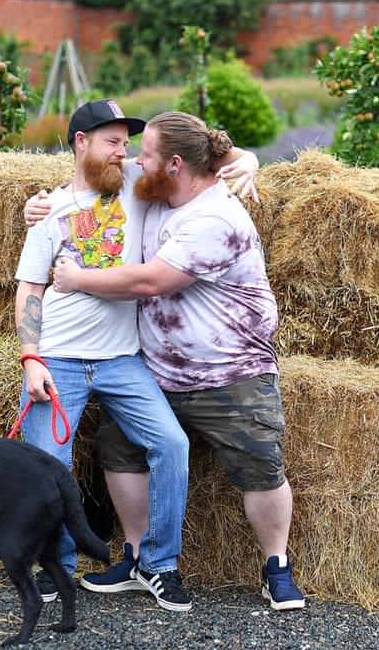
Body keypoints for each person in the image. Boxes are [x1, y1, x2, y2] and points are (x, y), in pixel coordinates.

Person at [47, 111, 305, 611]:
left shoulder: (216, 217)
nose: (134, 162)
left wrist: (76, 279)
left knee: (260, 466)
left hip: (230, 372)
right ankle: (140, 557)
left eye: (145, 156)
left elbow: (151, 281)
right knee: (118, 447)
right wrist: (45, 202)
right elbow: (95, 174)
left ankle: (277, 565)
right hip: (158, 372)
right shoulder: (159, 193)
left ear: (175, 165)